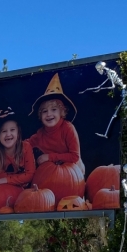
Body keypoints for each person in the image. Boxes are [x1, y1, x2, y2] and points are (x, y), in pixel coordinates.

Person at [29, 74, 85, 203]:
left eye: (53, 109)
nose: (49, 114)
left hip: (73, 170)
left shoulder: (68, 128)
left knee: (73, 199)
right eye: (44, 111)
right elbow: (25, 145)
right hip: (52, 173)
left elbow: (74, 156)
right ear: (40, 115)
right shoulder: (40, 134)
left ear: (62, 112)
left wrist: (49, 157)